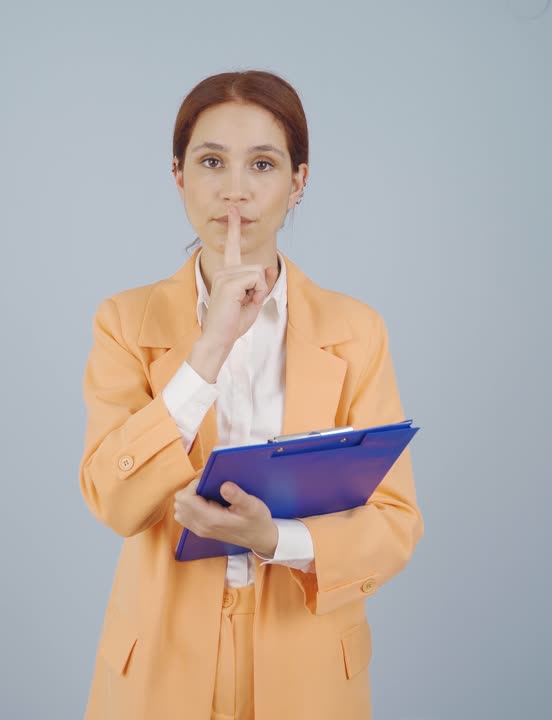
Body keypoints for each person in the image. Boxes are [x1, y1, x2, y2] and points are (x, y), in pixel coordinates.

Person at [79, 70, 423, 720]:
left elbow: (395, 523)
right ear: (178, 175)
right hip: (160, 662)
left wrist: (276, 539)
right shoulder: (123, 321)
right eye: (212, 161)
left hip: (307, 661)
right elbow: (114, 500)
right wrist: (209, 348)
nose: (234, 189)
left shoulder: (356, 330)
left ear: (298, 182)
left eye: (262, 164)